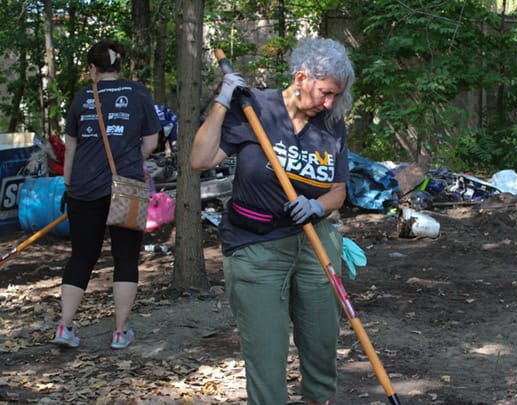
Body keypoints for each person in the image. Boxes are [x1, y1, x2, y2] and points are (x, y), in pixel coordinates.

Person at [190, 37, 355, 405]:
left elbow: (338, 192)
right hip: (256, 247)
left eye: (336, 95)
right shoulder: (254, 108)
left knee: (321, 345)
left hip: (315, 243)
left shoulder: (331, 123)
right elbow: (200, 159)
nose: (329, 102)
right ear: (301, 78)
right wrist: (221, 101)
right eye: (325, 93)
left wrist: (316, 206)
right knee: (266, 353)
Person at [53, 39, 160, 350]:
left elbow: (70, 149)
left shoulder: (81, 97)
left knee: (82, 257)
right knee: (125, 257)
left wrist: (69, 187)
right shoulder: (139, 93)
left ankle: (65, 326)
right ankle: (119, 332)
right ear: (119, 66)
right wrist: (129, 160)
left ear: (92, 69)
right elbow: (151, 143)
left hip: (83, 189)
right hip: (126, 187)